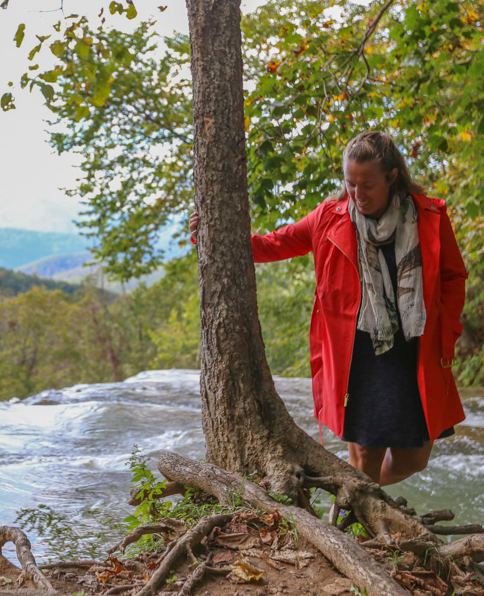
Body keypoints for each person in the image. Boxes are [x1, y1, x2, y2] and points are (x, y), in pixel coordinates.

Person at [189, 131, 468, 487]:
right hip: (359, 355)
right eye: (350, 183)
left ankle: (363, 503)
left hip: (417, 352)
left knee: (414, 458)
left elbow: (453, 276)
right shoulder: (329, 217)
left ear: (392, 177)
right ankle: (354, 525)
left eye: (367, 185)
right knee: (364, 456)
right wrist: (210, 234)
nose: (357, 194)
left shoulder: (429, 216)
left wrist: (449, 329)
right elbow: (275, 244)